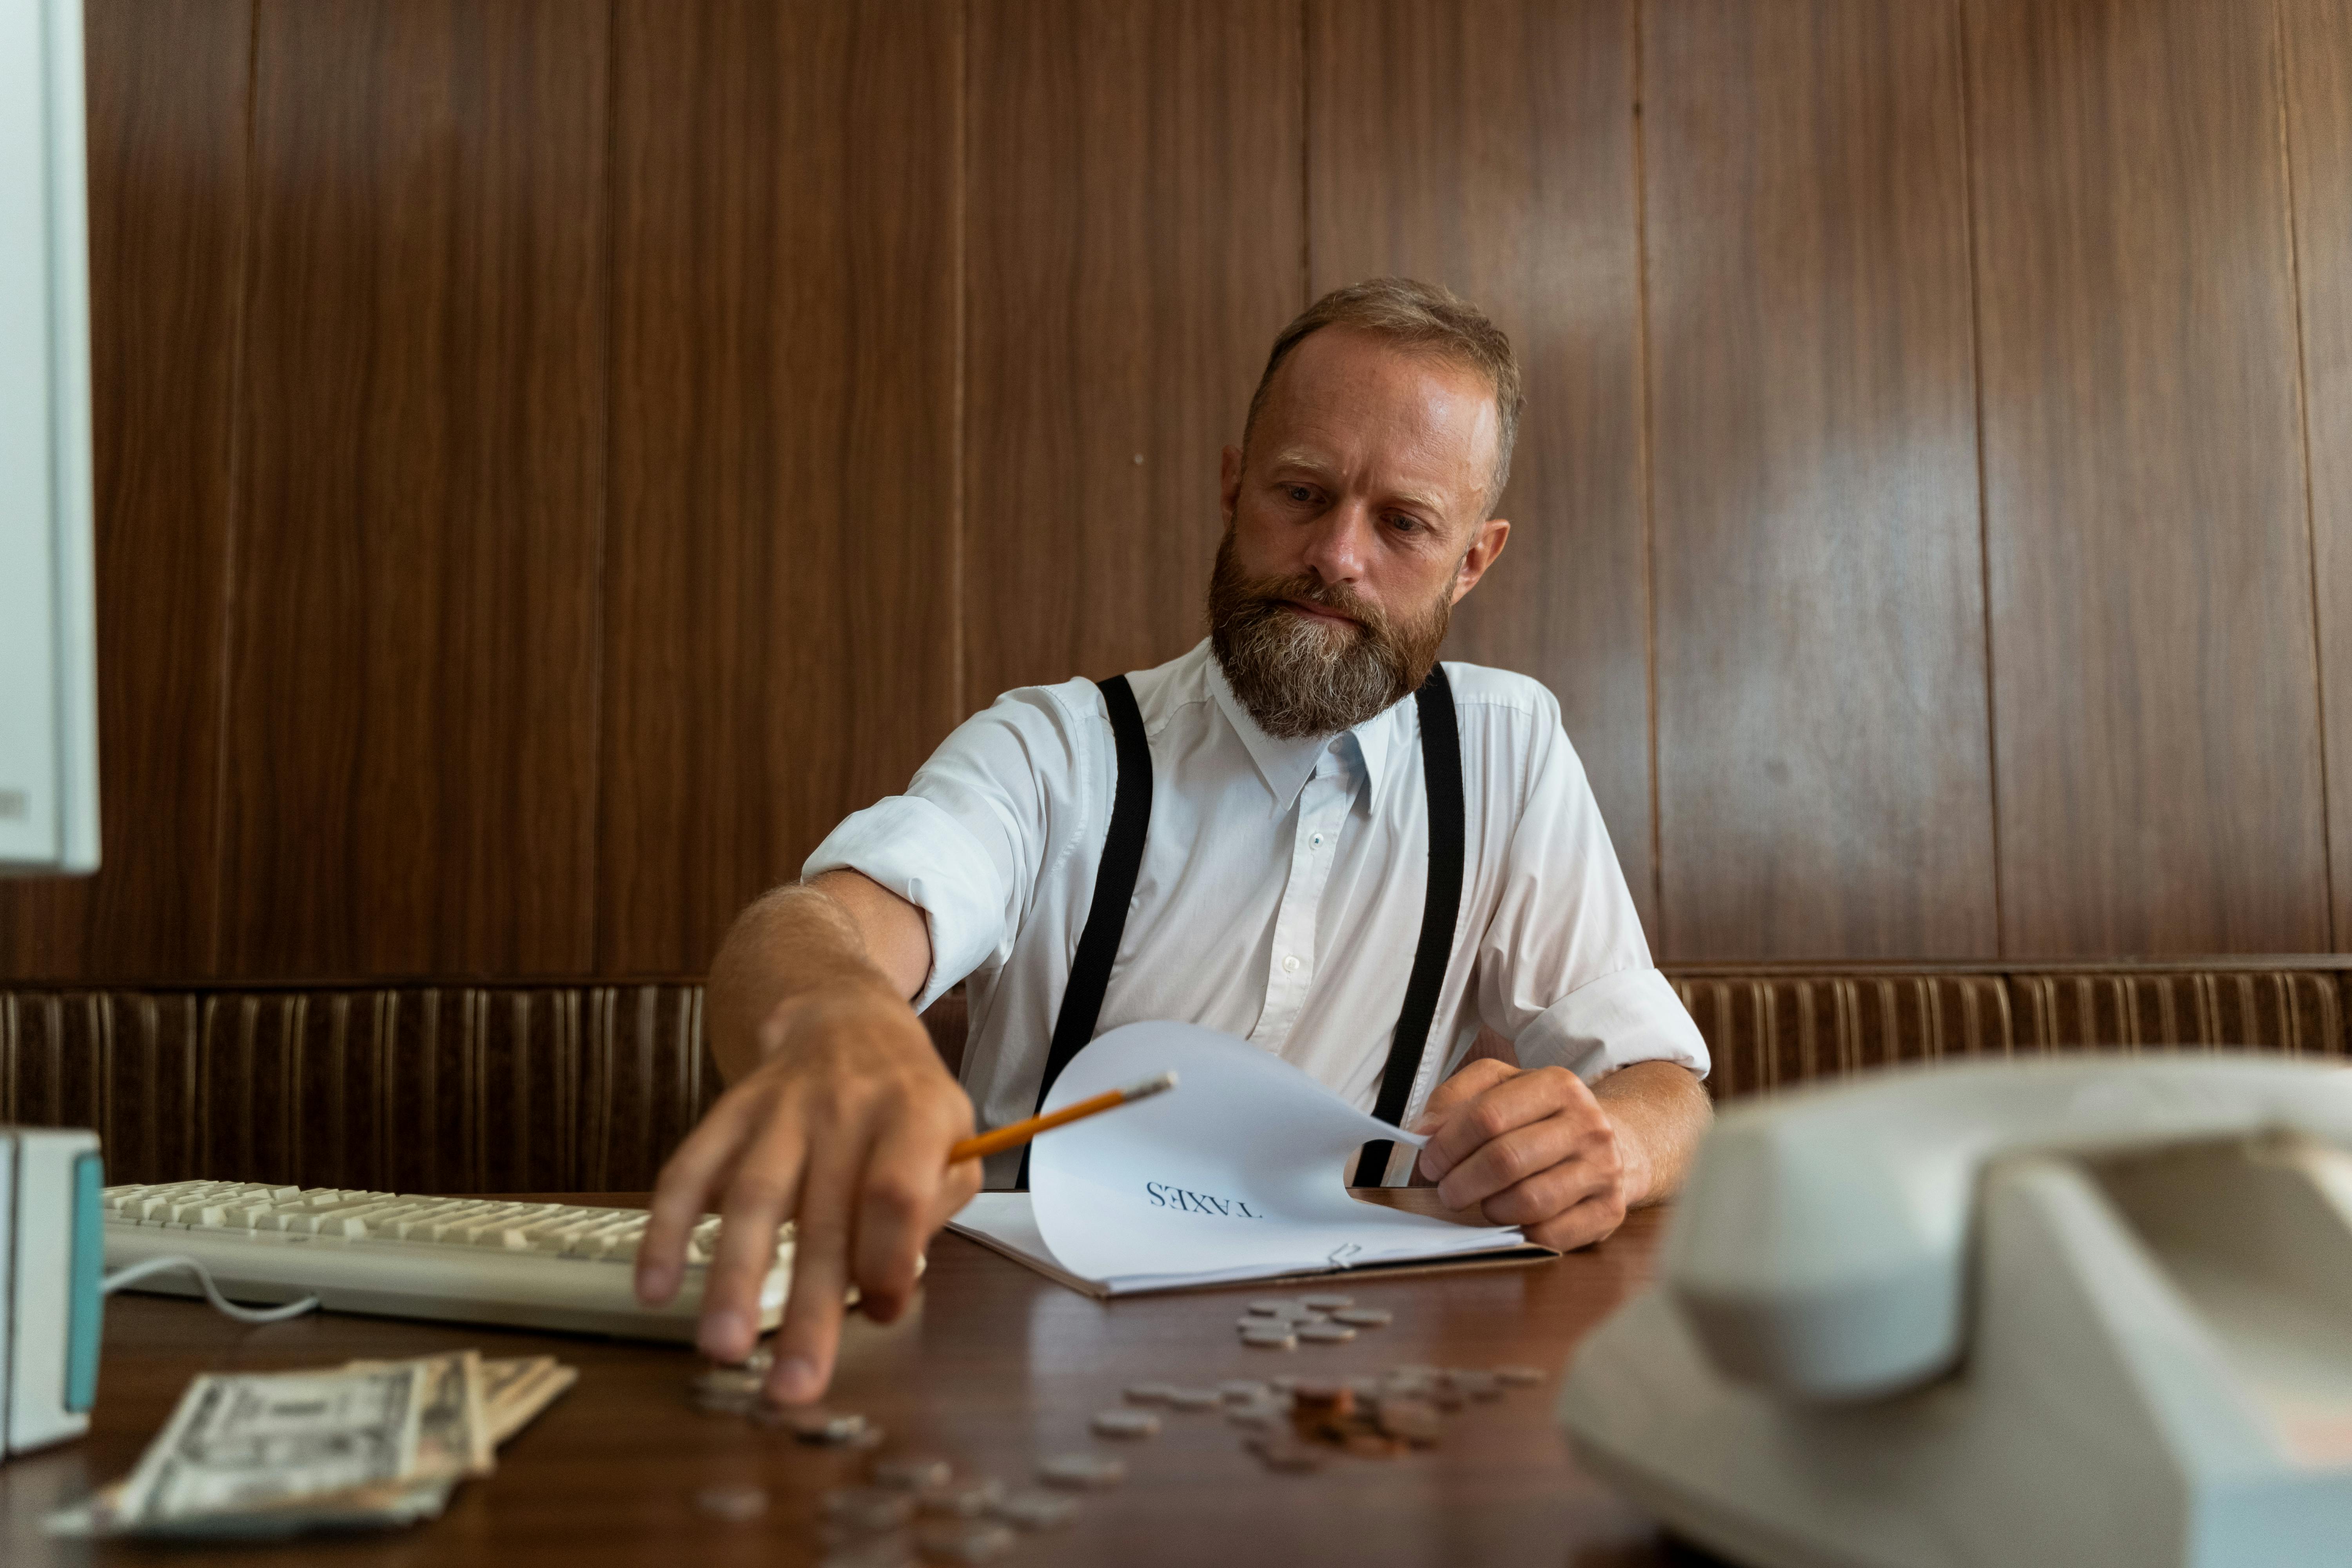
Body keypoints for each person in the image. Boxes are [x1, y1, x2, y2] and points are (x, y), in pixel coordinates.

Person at [634, 278, 1714, 1404]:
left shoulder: (1510, 749)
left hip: (1355, 1386)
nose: (1338, 556)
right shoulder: (1055, 750)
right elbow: (817, 929)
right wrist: (833, 1013)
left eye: (1403, 523)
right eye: (1303, 492)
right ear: (1232, 486)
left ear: (1472, 561)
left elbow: (1665, 1087)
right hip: (1012, 1368)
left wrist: (1614, 1149)